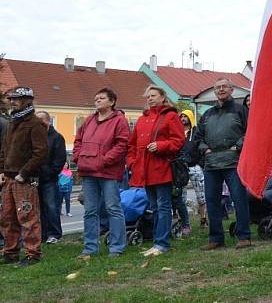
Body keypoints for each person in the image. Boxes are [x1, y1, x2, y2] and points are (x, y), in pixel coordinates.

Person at [127, 85, 185, 256]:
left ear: (162, 97)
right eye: (147, 96)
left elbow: (179, 140)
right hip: (144, 169)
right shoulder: (142, 119)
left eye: (153, 95)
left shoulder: (171, 116)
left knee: (163, 205)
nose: (150, 98)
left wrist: (161, 145)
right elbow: (132, 144)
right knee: (155, 206)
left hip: (162, 168)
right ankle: (158, 242)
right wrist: (131, 162)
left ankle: (162, 243)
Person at [73, 87, 130, 259]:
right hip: (88, 171)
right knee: (90, 210)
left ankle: (117, 247)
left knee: (113, 208)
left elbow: (122, 145)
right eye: (96, 98)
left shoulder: (119, 121)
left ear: (112, 102)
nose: (97, 100)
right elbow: (78, 140)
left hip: (108, 172)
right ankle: (90, 248)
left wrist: (104, 160)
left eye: (102, 98)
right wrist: (78, 157)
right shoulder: (89, 120)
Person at [195, 78, 251, 250]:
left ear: (231, 90)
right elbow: (198, 138)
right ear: (214, 91)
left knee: (239, 199)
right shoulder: (207, 114)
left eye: (224, 86)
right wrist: (205, 150)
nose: (221, 89)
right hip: (211, 165)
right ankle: (216, 238)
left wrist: (238, 146)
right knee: (211, 201)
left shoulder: (241, 110)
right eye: (218, 87)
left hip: (234, 162)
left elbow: (250, 132)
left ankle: (244, 236)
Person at [0, 86, 48, 266]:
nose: (12, 102)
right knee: (7, 217)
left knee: (27, 217)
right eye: (10, 99)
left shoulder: (35, 124)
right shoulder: (13, 122)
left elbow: (41, 153)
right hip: (9, 178)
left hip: (25, 180)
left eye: (16, 99)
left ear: (27, 100)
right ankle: (10, 252)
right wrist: (2, 172)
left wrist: (24, 173)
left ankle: (33, 254)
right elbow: (4, 150)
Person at [35, 110, 66, 244]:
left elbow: (59, 160)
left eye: (41, 119)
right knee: (38, 208)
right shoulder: (35, 137)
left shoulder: (56, 137)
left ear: (48, 121)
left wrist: (49, 173)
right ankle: (42, 234)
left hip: (49, 179)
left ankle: (54, 234)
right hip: (35, 179)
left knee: (51, 206)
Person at [179, 109, 207, 229]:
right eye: (181, 116)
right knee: (181, 196)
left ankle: (203, 219)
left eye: (185, 116)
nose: (183, 119)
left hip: (195, 167)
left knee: (200, 194)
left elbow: (201, 146)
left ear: (190, 117)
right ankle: (183, 222)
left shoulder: (196, 132)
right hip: (181, 168)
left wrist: (200, 164)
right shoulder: (178, 132)